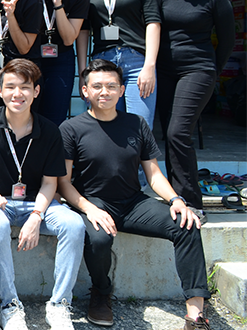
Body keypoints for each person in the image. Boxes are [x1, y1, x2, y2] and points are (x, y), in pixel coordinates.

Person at [58, 59, 210, 330]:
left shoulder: (136, 124)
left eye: (111, 86)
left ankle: (195, 314)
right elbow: (63, 183)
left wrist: (176, 200)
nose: (104, 91)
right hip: (94, 202)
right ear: (85, 91)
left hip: (132, 202)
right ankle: (101, 292)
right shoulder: (71, 128)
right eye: (97, 86)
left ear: (121, 90)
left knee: (186, 225)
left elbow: (153, 174)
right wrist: (89, 209)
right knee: (98, 239)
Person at [0, 59, 84, 330]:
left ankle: (59, 305)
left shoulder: (49, 130)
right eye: (10, 87)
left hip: (37, 202)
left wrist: (36, 215)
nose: (17, 93)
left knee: (74, 225)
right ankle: (10, 305)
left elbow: (49, 183)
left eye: (25, 87)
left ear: (36, 91)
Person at [156, 0, 235, 212]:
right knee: (170, 134)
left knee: (179, 133)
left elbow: (227, 41)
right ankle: (177, 198)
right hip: (165, 72)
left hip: (198, 70)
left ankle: (190, 202)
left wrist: (212, 72)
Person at [77, 0, 160, 132]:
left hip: (136, 63)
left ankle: (139, 168)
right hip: (102, 62)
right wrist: (83, 72)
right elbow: (83, 31)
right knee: (105, 129)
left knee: (140, 128)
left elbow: (152, 21)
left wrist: (149, 66)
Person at [28, 0, 90, 125]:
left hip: (60, 60)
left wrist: (58, 4)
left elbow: (69, 38)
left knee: (54, 119)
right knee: (27, 115)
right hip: (29, 57)